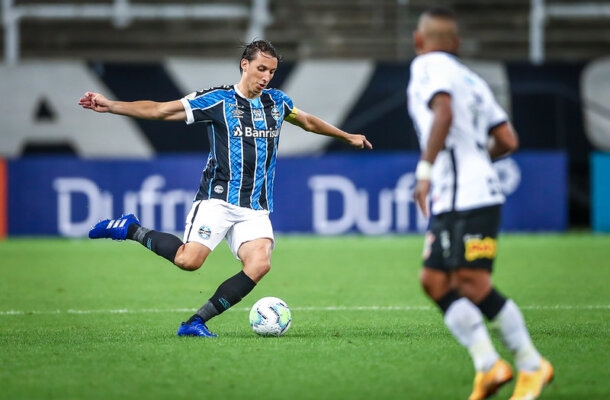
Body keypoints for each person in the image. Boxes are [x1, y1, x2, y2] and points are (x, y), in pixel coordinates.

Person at [78, 39, 372, 338]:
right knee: (188, 261)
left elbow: (307, 121)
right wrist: (112, 106)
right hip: (217, 199)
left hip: (255, 207)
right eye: (261, 69)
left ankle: (195, 322)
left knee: (259, 264)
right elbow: (161, 111)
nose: (266, 77)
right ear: (244, 64)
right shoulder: (218, 100)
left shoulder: (277, 103)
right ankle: (131, 229)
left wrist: (346, 136)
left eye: (271, 71)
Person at [406, 7, 553, 400]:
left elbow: (443, 112)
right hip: (469, 192)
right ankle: (489, 365)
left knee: (471, 282)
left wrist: (425, 172)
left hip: (463, 195)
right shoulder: (472, 79)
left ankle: (531, 364)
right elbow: (507, 140)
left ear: (420, 42)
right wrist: (476, 160)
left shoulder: (427, 66)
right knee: (434, 281)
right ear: (455, 43)